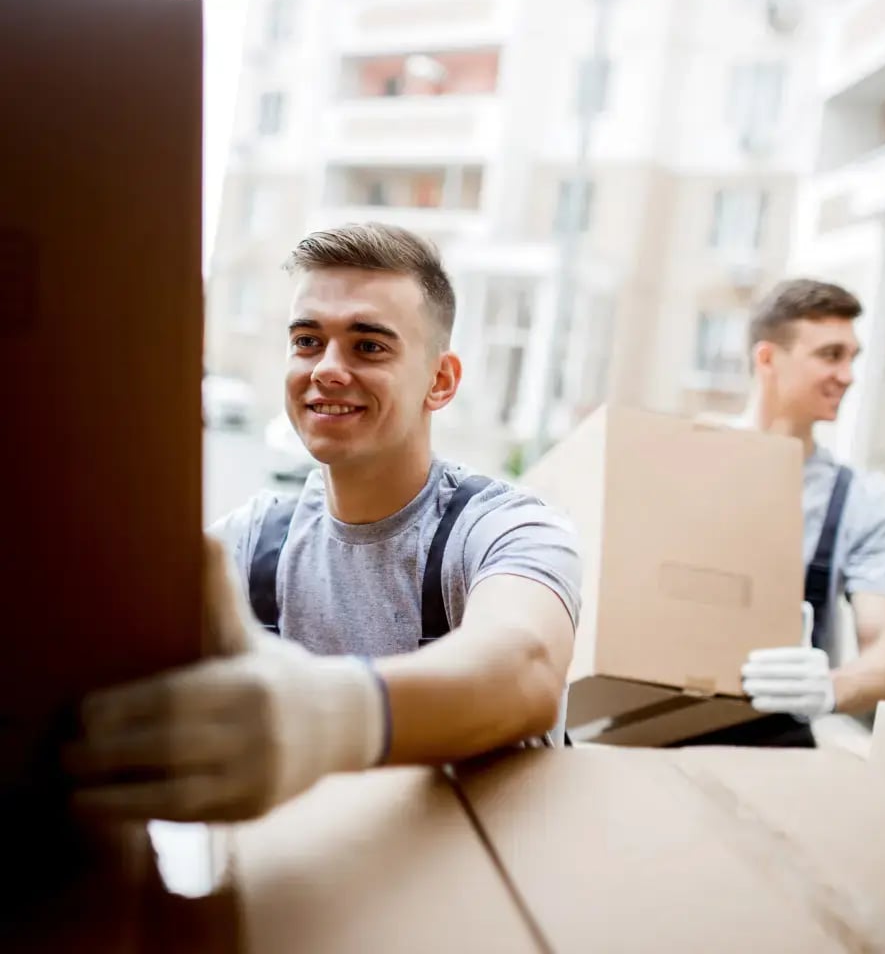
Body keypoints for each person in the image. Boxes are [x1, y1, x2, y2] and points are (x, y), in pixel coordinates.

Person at [64, 223, 581, 821]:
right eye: (308, 341)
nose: (327, 369)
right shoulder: (250, 543)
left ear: (439, 382)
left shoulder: (506, 530)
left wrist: (329, 718)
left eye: (369, 346)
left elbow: (525, 664)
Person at [683, 279, 885, 748]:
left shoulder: (864, 501)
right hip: (652, 729)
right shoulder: (684, 459)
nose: (847, 375)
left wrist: (829, 688)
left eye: (852, 357)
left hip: (777, 749)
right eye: (830, 355)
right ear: (767, 359)